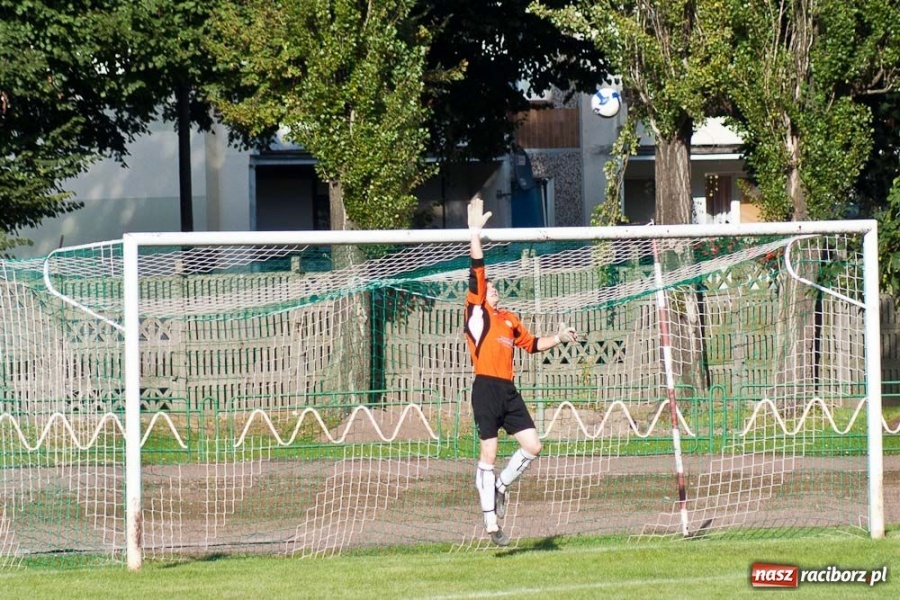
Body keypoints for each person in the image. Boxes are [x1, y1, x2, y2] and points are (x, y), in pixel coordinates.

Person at [464, 197, 578, 546]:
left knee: (533, 445)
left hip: (508, 390)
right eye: (489, 288)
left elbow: (532, 345)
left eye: (495, 287)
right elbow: (477, 270)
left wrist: (558, 338)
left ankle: (500, 486)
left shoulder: (510, 319)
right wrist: (475, 235)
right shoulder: (476, 314)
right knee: (490, 454)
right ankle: (491, 524)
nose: (494, 289)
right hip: (485, 388)